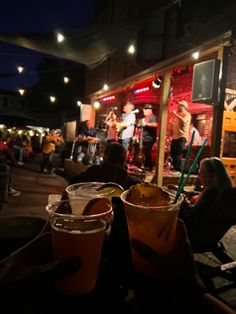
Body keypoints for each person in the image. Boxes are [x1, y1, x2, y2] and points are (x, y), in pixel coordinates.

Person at [178, 157, 234, 248]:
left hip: (194, 236)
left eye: (202, 172)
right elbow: (202, 197)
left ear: (212, 175)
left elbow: (190, 217)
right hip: (211, 235)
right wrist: (186, 193)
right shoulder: (223, 191)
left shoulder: (210, 193)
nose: (198, 176)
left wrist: (182, 200)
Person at [68, 142, 141, 190]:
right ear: (123, 159)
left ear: (105, 156)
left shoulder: (93, 171)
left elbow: (73, 181)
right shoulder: (130, 182)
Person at [170, 100, 191, 172]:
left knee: (177, 153)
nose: (178, 107)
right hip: (175, 137)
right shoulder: (178, 115)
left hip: (182, 136)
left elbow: (184, 121)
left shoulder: (187, 114)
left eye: (180, 105)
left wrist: (175, 114)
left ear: (184, 107)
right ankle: (176, 167)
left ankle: (179, 169)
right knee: (172, 153)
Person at [140, 104, 158, 171]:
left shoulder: (152, 117)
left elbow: (155, 124)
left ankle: (149, 166)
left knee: (147, 152)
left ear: (150, 110)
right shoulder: (145, 118)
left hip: (149, 138)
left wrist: (146, 124)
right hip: (145, 138)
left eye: (145, 109)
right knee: (145, 152)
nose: (143, 110)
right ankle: (146, 165)